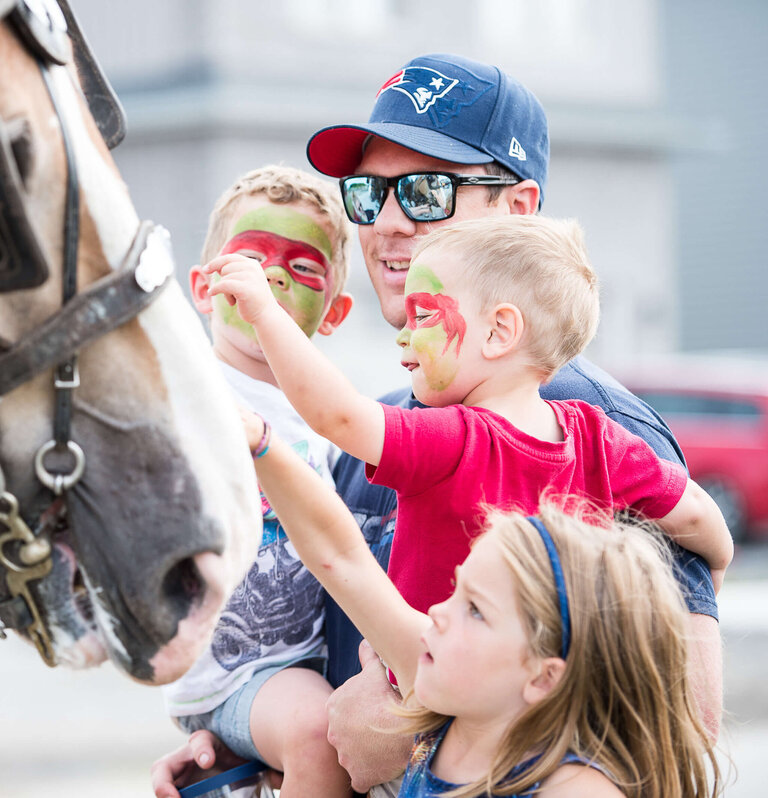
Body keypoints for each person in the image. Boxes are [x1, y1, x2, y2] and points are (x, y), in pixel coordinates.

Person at [152, 52, 722, 798]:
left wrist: (409, 738)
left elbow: (679, 734)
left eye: (425, 191)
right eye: (368, 192)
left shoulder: (597, 439)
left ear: (518, 212)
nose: (388, 223)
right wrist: (251, 745)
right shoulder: (374, 434)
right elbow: (327, 652)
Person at [205, 211, 731, 619]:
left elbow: (338, 417)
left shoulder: (454, 441)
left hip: (439, 705)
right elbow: (698, 519)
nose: (403, 334)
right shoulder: (600, 439)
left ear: (500, 332)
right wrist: (718, 569)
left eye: (426, 313)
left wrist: (265, 313)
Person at [239, 409, 720, 797]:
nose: (438, 613)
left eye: (475, 610)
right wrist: (261, 442)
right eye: (457, 591)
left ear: (542, 675)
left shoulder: (575, 789)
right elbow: (340, 555)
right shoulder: (439, 687)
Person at [160, 165, 354, 796]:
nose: (271, 277)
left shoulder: (329, 412)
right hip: (234, 673)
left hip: (304, 658)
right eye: (250, 259)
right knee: (318, 733)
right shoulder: (190, 392)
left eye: (302, 270)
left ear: (333, 313)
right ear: (202, 286)